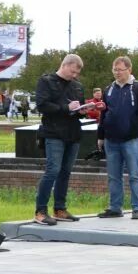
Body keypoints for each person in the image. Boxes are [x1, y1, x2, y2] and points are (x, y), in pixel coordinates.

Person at [96, 56, 138, 220]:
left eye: (120, 70)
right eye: (114, 70)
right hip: (111, 139)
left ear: (129, 70)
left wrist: (134, 128)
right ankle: (115, 207)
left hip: (131, 139)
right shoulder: (108, 89)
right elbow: (103, 113)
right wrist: (101, 135)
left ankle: (137, 207)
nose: (117, 73)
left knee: (135, 174)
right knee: (113, 176)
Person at [33, 54, 88, 225]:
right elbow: (41, 105)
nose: (74, 76)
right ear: (65, 65)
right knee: (52, 171)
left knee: (65, 172)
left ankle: (60, 208)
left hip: (73, 133)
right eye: (72, 72)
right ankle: (40, 211)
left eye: (77, 73)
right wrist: (66, 108)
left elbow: (80, 106)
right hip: (54, 133)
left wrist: (83, 110)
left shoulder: (78, 86)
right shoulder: (46, 81)